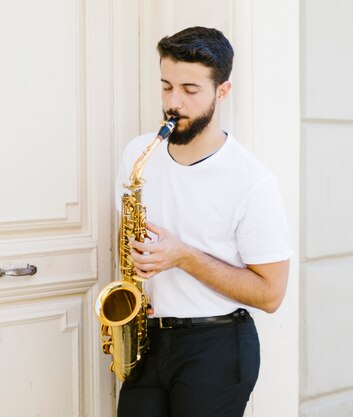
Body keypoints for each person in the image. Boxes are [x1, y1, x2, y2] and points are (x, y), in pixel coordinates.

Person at [115, 26, 292, 417]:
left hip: (217, 346)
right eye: (166, 86)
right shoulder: (137, 155)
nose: (173, 102)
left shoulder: (252, 181)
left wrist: (183, 256)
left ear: (222, 92)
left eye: (190, 90)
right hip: (148, 341)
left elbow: (271, 294)